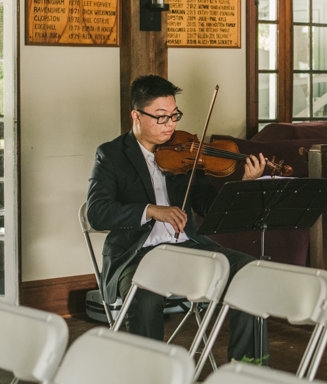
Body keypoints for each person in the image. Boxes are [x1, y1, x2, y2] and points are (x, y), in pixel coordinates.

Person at [87, 75, 268, 361]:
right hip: (137, 255)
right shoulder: (111, 155)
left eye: (174, 115)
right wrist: (150, 210)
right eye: (161, 117)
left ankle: (248, 369)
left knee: (250, 272)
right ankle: (150, 375)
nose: (171, 124)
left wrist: (242, 186)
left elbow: (209, 206)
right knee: (144, 297)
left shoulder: (187, 151)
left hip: (189, 248)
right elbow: (97, 212)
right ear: (136, 115)